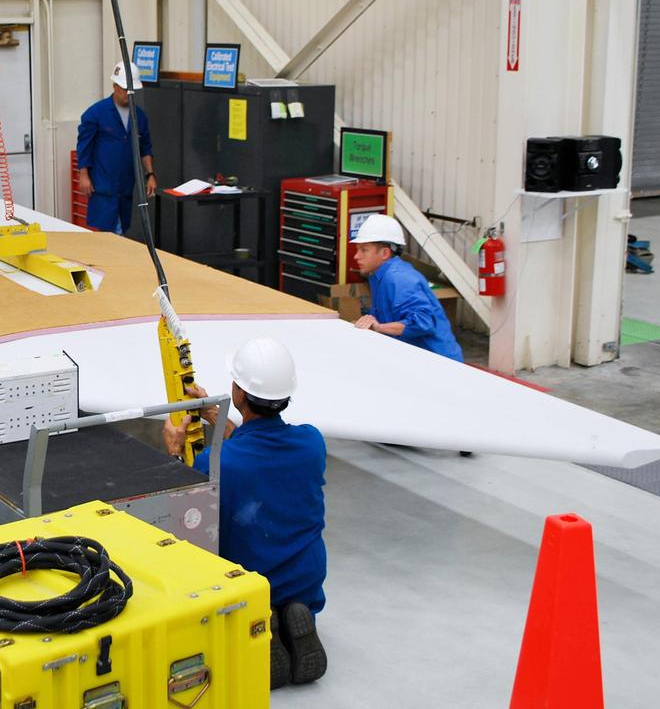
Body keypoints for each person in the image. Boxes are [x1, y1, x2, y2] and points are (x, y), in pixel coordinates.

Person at [162, 337, 328, 689]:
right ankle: (295, 613)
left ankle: (263, 624)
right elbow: (262, 453)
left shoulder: (216, 462)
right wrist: (215, 417)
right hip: (305, 581)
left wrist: (175, 454)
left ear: (238, 393)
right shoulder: (312, 443)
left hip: (251, 584)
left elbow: (187, 521)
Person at [351, 213, 463, 362]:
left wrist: (379, 327)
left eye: (364, 250)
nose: (356, 256)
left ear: (384, 253)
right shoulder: (377, 276)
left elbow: (423, 322)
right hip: (416, 357)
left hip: (438, 362)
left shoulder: (399, 279)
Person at [75, 61, 155, 234]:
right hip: (103, 186)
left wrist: (150, 174)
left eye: (131, 90)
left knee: (121, 229)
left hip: (125, 186)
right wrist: (84, 175)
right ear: (114, 86)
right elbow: (84, 145)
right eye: (124, 89)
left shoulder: (139, 117)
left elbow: (145, 147)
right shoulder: (96, 114)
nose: (128, 94)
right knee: (110, 231)